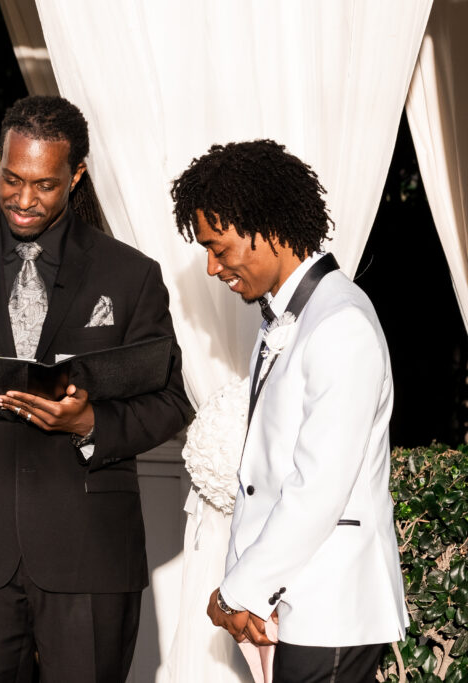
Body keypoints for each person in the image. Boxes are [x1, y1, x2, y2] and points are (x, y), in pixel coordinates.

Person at [0, 95, 192, 682]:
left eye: (45, 185)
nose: (24, 199)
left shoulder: (130, 274)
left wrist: (89, 426)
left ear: (76, 174)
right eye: (11, 179)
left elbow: (171, 400)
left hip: (91, 552)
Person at [170, 139, 407, 683]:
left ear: (269, 227)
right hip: (297, 603)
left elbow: (317, 488)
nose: (210, 267)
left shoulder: (340, 323)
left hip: (333, 608)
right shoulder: (283, 319)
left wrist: (238, 591)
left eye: (219, 247)